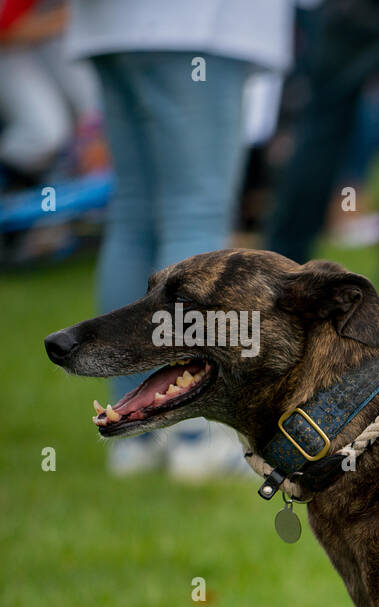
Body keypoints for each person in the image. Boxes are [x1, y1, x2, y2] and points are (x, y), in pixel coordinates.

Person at [65, 0, 292, 477]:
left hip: (112, 27)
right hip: (196, 24)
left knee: (134, 213)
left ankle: (130, 432)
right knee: (197, 212)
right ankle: (193, 437)